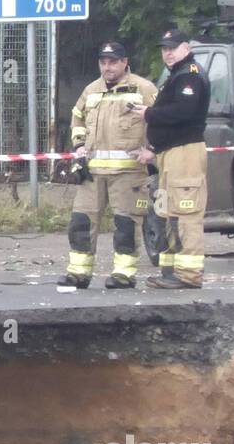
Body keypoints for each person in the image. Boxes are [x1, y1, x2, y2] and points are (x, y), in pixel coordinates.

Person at [57, 41, 158, 291]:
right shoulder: (92, 90)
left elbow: (160, 121)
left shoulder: (143, 89)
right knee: (80, 222)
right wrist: (79, 145)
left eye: (113, 62)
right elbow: (77, 117)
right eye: (103, 62)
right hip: (92, 172)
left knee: (126, 225)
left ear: (125, 62)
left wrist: (152, 151)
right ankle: (78, 273)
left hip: (128, 172)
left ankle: (124, 274)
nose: (107, 67)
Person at [132, 29, 211, 289]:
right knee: (169, 211)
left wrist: (150, 114)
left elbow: (184, 112)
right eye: (164, 48)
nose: (167, 53)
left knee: (186, 211)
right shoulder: (176, 75)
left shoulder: (190, 75)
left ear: (186, 48)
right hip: (170, 154)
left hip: (185, 153)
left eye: (173, 48)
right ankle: (172, 271)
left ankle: (188, 275)